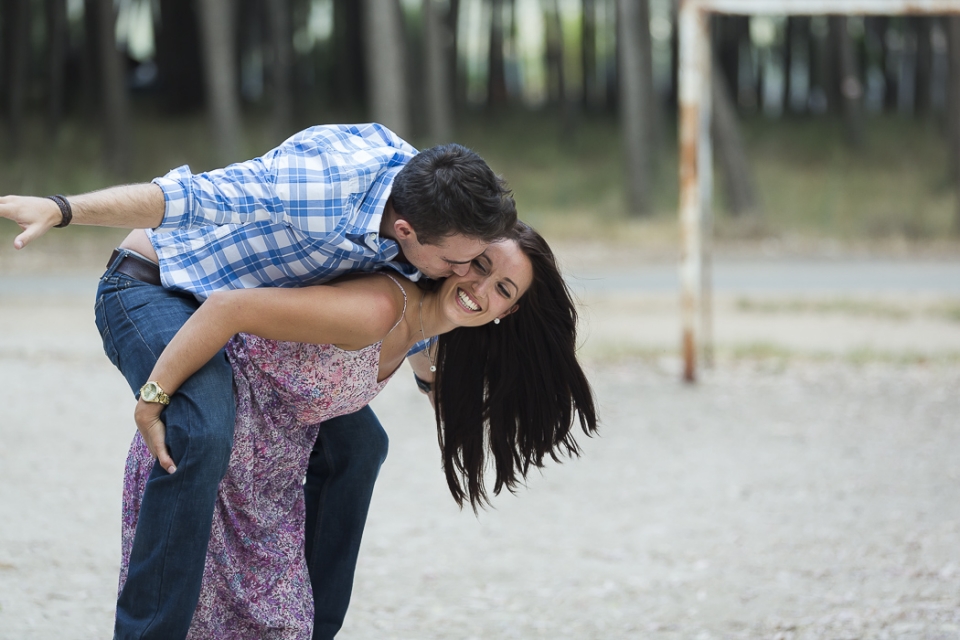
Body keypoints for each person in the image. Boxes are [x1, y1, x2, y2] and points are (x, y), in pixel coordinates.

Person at [0, 123, 516, 639]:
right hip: (155, 288)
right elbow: (184, 197)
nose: (463, 272)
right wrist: (63, 208)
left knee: (358, 447)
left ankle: (309, 628)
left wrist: (433, 388)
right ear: (405, 231)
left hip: (234, 324)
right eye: (457, 262)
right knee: (201, 429)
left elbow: (421, 302)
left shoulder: (439, 200)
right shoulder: (317, 187)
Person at [126, 223, 597, 638]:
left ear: (507, 311)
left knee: (280, 621)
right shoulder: (377, 308)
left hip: (271, 469)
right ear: (458, 253)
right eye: (480, 264)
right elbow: (226, 309)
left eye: (503, 288)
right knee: (206, 619)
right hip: (217, 443)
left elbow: (423, 345)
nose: (480, 286)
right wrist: (155, 400)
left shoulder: (431, 327)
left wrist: (432, 385)